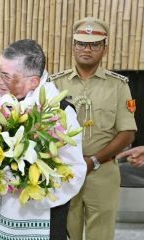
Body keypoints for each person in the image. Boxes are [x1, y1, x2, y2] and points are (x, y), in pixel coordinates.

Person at [0, 39, 86, 240]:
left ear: (33, 81)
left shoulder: (59, 114)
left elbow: (74, 173)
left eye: (6, 76)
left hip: (32, 214)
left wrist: (23, 181)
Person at [50, 17, 137, 240]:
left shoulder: (118, 85)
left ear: (104, 49)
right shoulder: (55, 84)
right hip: (65, 171)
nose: (86, 49)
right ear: (72, 47)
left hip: (103, 172)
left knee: (101, 234)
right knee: (66, 230)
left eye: (94, 44)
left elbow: (127, 132)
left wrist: (94, 160)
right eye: (80, 43)